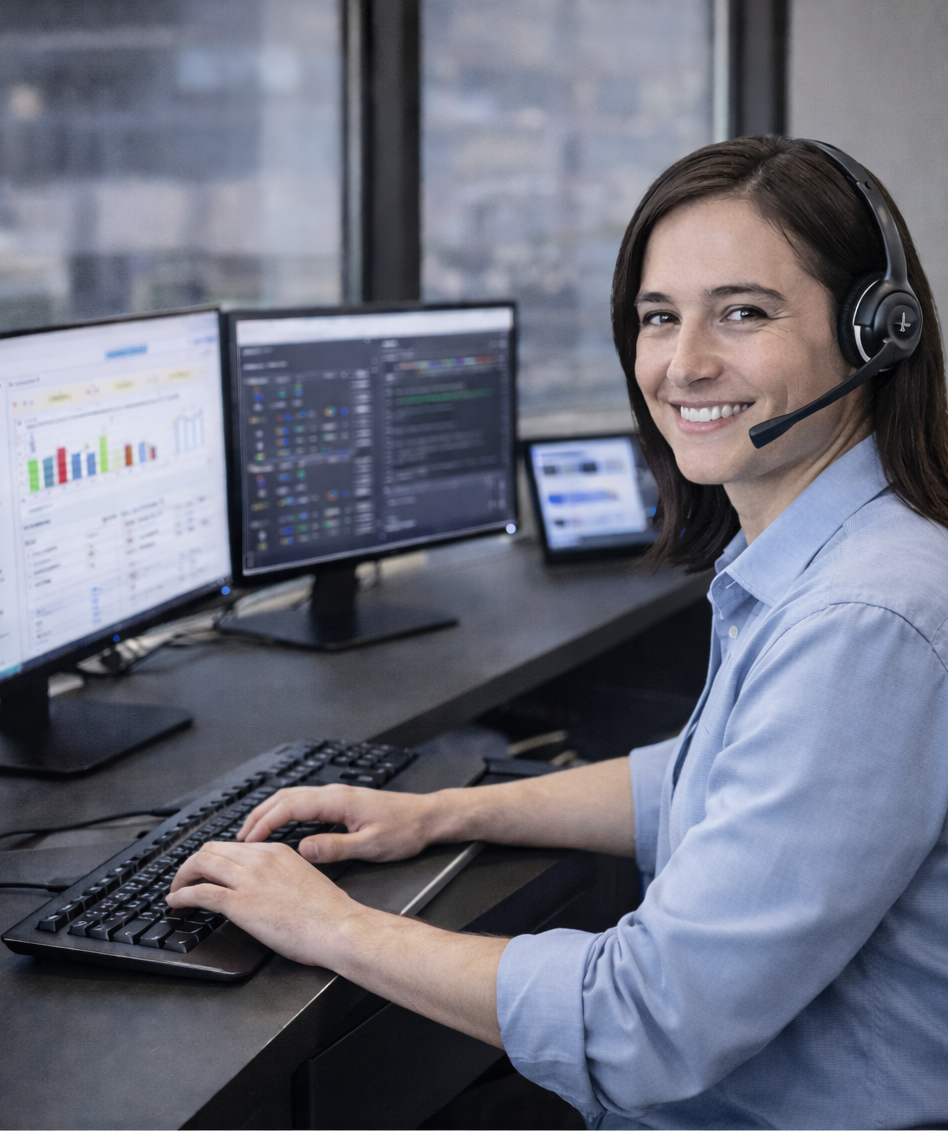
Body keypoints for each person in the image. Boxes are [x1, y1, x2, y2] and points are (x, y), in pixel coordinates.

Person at [168, 136, 948, 1129]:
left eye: (743, 313)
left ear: (874, 333)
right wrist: (439, 814)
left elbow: (645, 1022)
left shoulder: (863, 620)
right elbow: (703, 782)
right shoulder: (835, 553)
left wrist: (325, 925)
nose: (684, 364)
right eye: (658, 318)